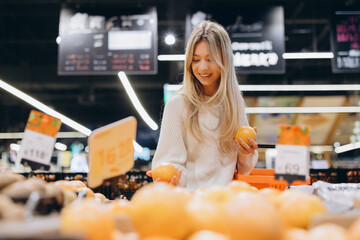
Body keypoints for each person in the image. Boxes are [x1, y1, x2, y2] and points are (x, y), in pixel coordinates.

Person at [147, 21, 258, 192]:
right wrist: (169, 178)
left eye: (211, 59)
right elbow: (170, 163)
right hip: (189, 206)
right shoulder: (178, 105)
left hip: (223, 204)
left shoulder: (234, 105)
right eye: (196, 60)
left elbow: (243, 170)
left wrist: (245, 153)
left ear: (225, 61)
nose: (203, 67)